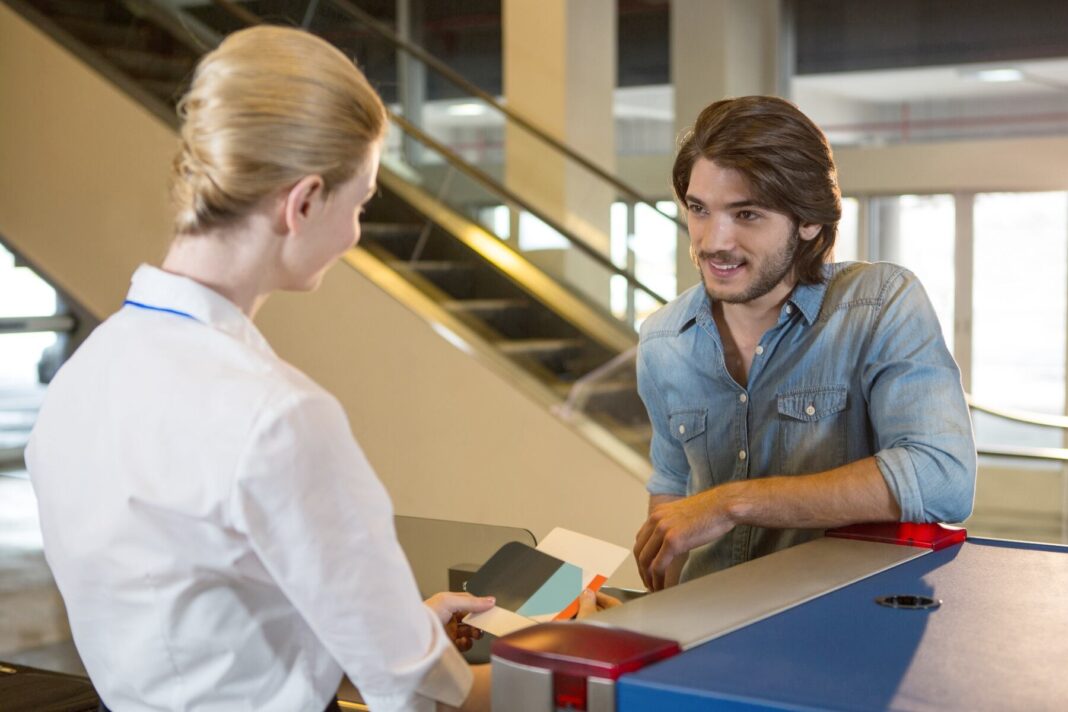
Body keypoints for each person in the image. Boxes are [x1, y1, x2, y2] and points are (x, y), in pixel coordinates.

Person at [27, 25, 513, 712]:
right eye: (362, 203)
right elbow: (415, 700)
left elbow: (200, 621)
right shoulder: (277, 415)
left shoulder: (83, 378)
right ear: (304, 201)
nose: (355, 234)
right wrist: (559, 677)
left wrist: (395, 635)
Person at [632, 96, 976, 591]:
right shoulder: (662, 340)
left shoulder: (880, 305)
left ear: (810, 220)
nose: (712, 241)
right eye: (699, 209)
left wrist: (730, 503)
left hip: (845, 626)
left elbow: (942, 476)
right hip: (706, 628)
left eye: (746, 214)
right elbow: (671, 487)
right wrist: (655, 601)